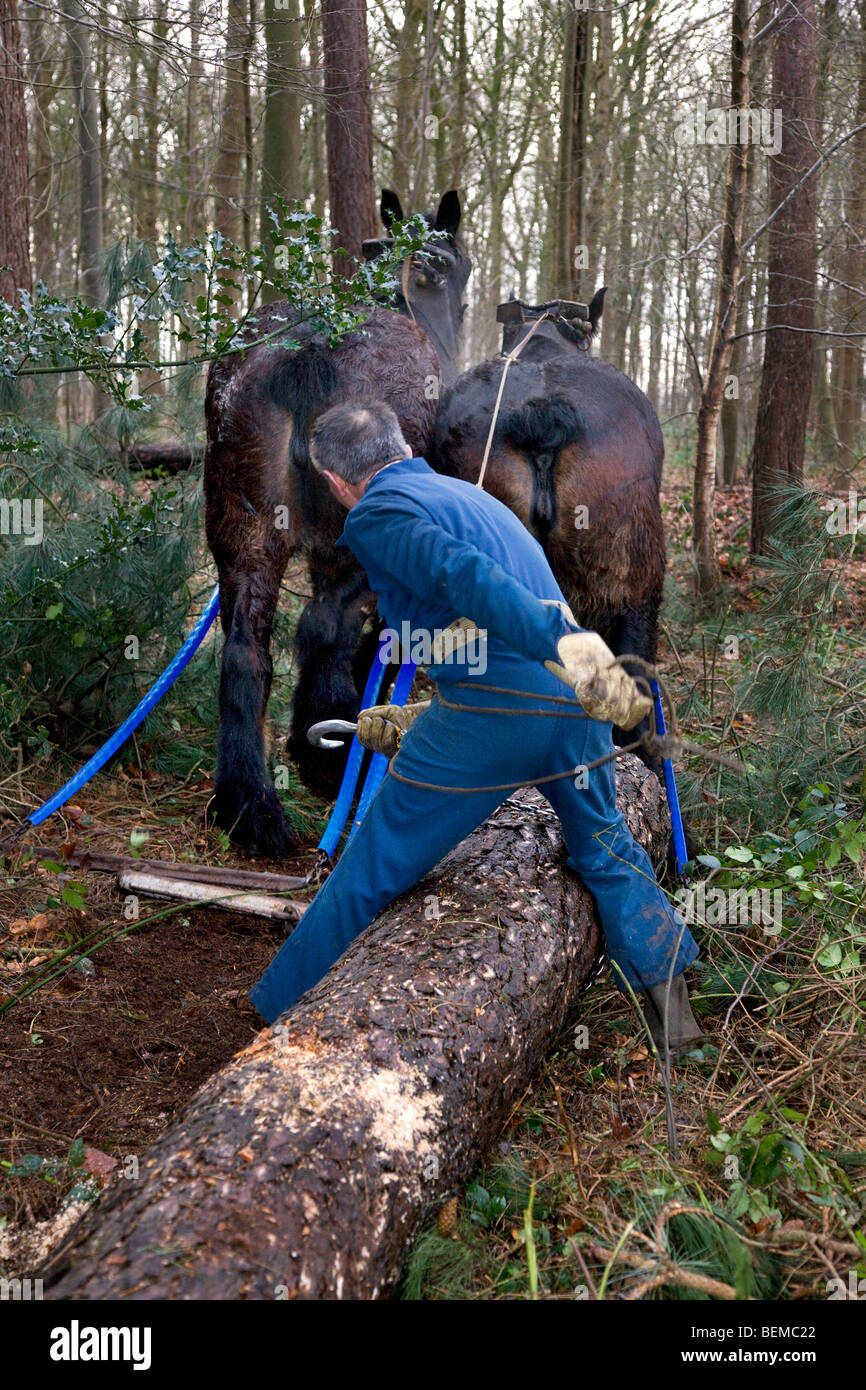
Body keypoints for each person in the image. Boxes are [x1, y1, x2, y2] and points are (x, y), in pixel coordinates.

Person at [249, 401, 703, 1057]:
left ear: (336, 482)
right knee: (606, 852)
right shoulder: (465, 497)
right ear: (400, 447)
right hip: (571, 711)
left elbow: (472, 581)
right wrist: (415, 721)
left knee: (373, 862)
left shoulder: (378, 513)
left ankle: (274, 1018)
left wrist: (572, 650)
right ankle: (677, 1021)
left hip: (508, 707)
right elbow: (487, 632)